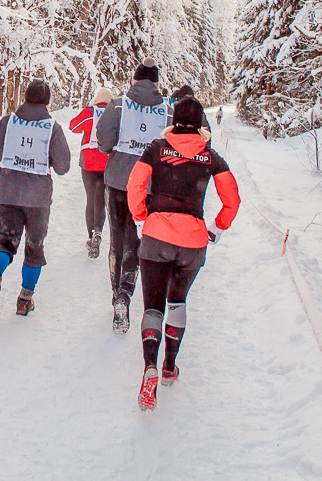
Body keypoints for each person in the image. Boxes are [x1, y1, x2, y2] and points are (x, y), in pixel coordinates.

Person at [127, 96, 240, 410]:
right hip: (193, 242)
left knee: (153, 304)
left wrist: (140, 219)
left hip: (156, 236)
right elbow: (232, 199)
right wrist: (216, 228)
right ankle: (169, 366)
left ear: (174, 119)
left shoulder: (155, 149)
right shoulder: (210, 156)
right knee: (177, 300)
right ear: (201, 122)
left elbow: (135, 184)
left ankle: (149, 364)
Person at [0, 80, 72, 319]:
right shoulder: (52, 128)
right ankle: (24, 300)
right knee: (34, 248)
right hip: (38, 200)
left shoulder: (8, 122)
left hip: (8, 193)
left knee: (6, 242)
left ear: (25, 97)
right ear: (47, 101)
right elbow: (63, 166)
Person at [95, 57, 168, 333]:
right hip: (149, 188)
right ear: (157, 83)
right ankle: (126, 292)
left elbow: (103, 139)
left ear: (134, 80)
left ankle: (117, 296)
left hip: (117, 181)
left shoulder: (118, 104)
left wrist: (113, 151)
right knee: (136, 243)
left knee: (116, 240)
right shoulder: (167, 109)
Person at [68, 86, 114, 258]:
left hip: (88, 162)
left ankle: (90, 237)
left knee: (90, 198)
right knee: (101, 198)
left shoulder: (90, 112)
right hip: (107, 162)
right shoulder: (115, 113)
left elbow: (73, 127)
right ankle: (98, 231)